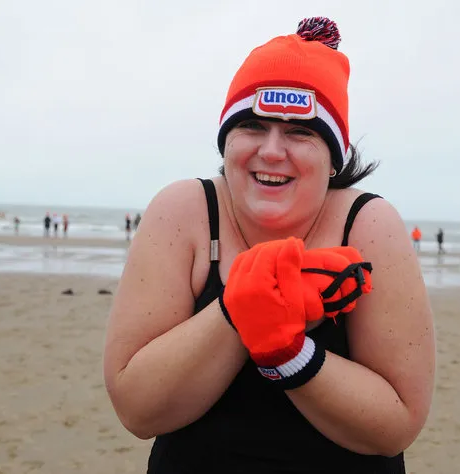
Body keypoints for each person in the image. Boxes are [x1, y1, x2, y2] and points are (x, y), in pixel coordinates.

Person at [103, 17, 435, 474]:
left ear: (333, 156)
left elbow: (397, 425)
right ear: (226, 142)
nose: (273, 151)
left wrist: (290, 355)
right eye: (253, 127)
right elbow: (138, 411)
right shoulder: (183, 210)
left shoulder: (369, 224)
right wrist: (237, 312)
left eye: (300, 132)